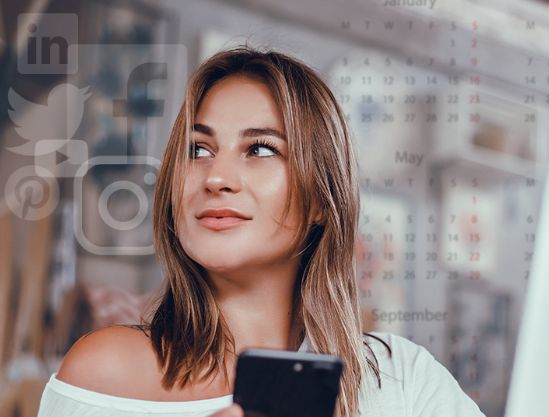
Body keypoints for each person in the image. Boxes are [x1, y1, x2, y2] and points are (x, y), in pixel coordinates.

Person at [35, 45, 486, 417]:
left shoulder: (401, 379)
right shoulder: (105, 371)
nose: (216, 177)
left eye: (261, 149)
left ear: (320, 201)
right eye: (198, 149)